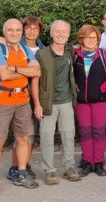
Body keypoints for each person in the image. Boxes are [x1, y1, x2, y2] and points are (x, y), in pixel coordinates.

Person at [0, 18, 42, 195]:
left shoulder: (25, 49)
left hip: (22, 99)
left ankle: (21, 173)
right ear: (4, 31)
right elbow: (3, 74)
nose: (15, 33)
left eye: (18, 30)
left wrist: (14, 68)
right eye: (11, 30)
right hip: (1, 100)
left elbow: (37, 71)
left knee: (23, 138)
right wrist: (23, 69)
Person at [31, 20, 81, 185]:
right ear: (51, 34)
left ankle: (69, 167)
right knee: (46, 137)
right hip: (47, 102)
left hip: (66, 101)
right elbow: (35, 81)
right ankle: (50, 170)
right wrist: (37, 104)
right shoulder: (42, 54)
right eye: (57, 31)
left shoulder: (70, 51)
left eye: (64, 32)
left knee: (68, 135)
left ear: (68, 34)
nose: (61, 34)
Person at [73, 25, 106, 177]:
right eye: (88, 37)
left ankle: (98, 162)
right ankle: (87, 162)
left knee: (98, 132)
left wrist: (101, 89)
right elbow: (69, 76)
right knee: (85, 132)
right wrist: (75, 88)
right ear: (82, 39)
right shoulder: (75, 56)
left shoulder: (104, 55)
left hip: (101, 101)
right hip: (81, 102)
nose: (92, 40)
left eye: (94, 37)